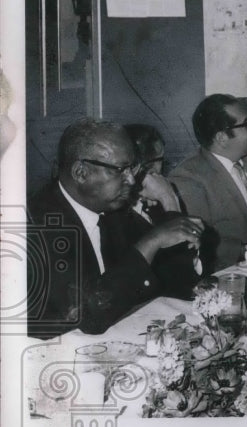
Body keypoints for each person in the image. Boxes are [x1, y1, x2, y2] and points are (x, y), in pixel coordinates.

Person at [27, 119, 204, 338]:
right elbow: (89, 316)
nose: (131, 180)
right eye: (120, 170)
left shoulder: (113, 210)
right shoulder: (38, 223)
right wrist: (150, 242)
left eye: (132, 168)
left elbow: (177, 281)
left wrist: (170, 205)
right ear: (81, 172)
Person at [170, 94, 247, 273]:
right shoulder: (188, 177)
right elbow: (201, 239)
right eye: (246, 124)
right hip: (229, 272)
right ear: (221, 137)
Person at [125, 123, 202, 298]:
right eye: (161, 160)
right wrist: (170, 200)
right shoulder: (116, 216)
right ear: (146, 167)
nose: (163, 169)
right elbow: (179, 281)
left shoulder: (153, 204)